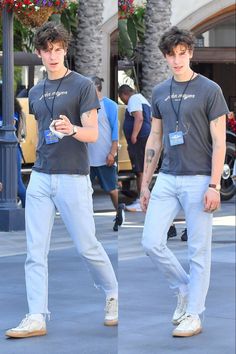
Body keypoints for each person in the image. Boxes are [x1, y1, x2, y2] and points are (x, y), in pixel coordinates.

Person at [5, 22, 118, 339]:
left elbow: (93, 133)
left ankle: (111, 292)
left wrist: (72, 130)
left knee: (87, 246)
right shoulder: (37, 91)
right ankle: (36, 316)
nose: (53, 56)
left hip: (73, 176)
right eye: (47, 50)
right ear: (39, 53)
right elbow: (41, 133)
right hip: (41, 176)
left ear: (65, 50)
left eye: (58, 49)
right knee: (34, 251)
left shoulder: (82, 85)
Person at [140, 27, 228, 337]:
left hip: (200, 178)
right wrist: (145, 182)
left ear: (190, 52)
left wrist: (214, 185)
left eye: (182, 53)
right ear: (165, 56)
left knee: (198, 251)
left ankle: (194, 314)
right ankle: (184, 288)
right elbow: (155, 136)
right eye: (171, 55)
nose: (177, 60)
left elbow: (219, 142)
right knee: (150, 242)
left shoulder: (209, 90)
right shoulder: (160, 91)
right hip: (167, 177)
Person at [88, 76, 125, 232]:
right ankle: (86, 221)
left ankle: (119, 212)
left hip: (105, 157)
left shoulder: (110, 105)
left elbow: (115, 132)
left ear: (96, 88)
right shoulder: (84, 106)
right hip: (86, 158)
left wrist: (112, 153)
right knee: (84, 191)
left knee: (111, 189)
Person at [118, 85, 151, 212]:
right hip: (144, 138)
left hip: (139, 139)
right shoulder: (142, 99)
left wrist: (134, 135)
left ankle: (140, 200)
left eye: (122, 98)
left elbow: (139, 118)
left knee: (140, 170)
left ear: (124, 94)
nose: (123, 101)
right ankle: (144, 198)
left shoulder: (133, 100)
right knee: (143, 168)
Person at [0, 85, 27, 208]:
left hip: (11, 150)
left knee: (17, 184)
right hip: (11, 150)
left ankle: (29, 211)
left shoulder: (12, 111)